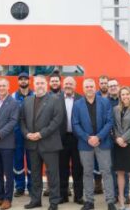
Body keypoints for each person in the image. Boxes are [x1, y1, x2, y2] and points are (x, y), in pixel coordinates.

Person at [20, 75, 65, 210]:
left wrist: (40, 134)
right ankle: (35, 200)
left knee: (52, 175)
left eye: (41, 83)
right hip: (32, 144)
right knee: (34, 174)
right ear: (33, 84)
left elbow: (57, 120)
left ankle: (54, 202)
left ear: (46, 85)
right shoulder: (27, 100)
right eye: (37, 83)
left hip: (49, 143)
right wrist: (27, 134)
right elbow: (21, 120)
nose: (39, 85)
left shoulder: (55, 100)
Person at [73, 78, 116, 210]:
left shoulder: (105, 102)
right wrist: (87, 138)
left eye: (91, 86)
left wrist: (98, 137)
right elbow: (75, 124)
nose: (89, 88)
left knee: (107, 172)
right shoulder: (77, 104)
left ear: (95, 87)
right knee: (87, 172)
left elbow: (109, 122)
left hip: (103, 142)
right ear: (83, 88)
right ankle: (89, 201)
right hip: (85, 144)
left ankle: (110, 201)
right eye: (87, 86)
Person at [0, 78, 21, 210]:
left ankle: (7, 199)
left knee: (8, 173)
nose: (1, 88)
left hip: (6, 143)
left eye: (3, 86)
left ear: (8, 87)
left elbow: (13, 122)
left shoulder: (13, 103)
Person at [113, 87, 130, 210]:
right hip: (118, 144)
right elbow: (113, 126)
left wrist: (123, 138)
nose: (125, 96)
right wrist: (117, 139)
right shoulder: (115, 109)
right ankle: (121, 199)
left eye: (127, 94)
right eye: (122, 94)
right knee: (119, 172)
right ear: (120, 96)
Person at [59, 77, 84, 205]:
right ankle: (63, 196)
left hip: (77, 138)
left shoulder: (81, 99)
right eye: (66, 83)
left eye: (71, 84)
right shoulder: (56, 98)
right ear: (63, 85)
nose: (68, 85)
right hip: (61, 139)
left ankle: (78, 196)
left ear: (75, 86)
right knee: (62, 168)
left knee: (78, 169)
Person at [13, 71, 33, 198]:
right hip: (17, 133)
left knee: (32, 161)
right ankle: (19, 186)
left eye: (25, 79)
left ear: (29, 81)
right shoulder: (13, 96)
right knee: (18, 160)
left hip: (31, 133)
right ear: (18, 82)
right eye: (21, 79)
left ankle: (32, 186)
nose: (23, 81)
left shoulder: (35, 95)